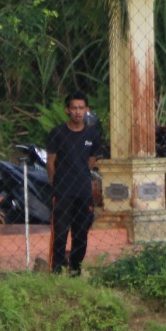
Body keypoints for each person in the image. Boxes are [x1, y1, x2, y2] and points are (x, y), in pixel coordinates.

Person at [44, 92, 104, 275]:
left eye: (81, 108)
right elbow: (51, 162)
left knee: (81, 234)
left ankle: (75, 269)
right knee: (60, 233)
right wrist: (57, 183)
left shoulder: (92, 134)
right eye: (74, 108)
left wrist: (80, 175)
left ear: (87, 110)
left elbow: (91, 161)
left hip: (83, 192)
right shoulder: (58, 133)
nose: (78, 112)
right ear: (67, 110)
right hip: (62, 191)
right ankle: (56, 270)